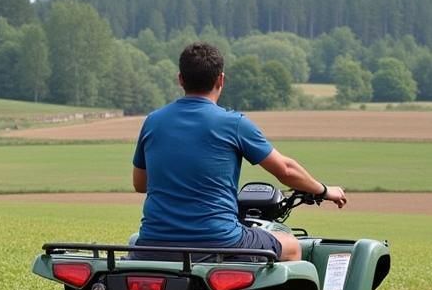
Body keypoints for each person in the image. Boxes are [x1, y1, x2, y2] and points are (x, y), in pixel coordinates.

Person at [132, 41, 347, 261]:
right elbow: (285, 170)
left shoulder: (153, 122)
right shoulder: (233, 124)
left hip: (153, 242)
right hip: (220, 241)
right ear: (221, 80)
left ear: (180, 79)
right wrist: (324, 190)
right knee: (291, 246)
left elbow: (140, 184)